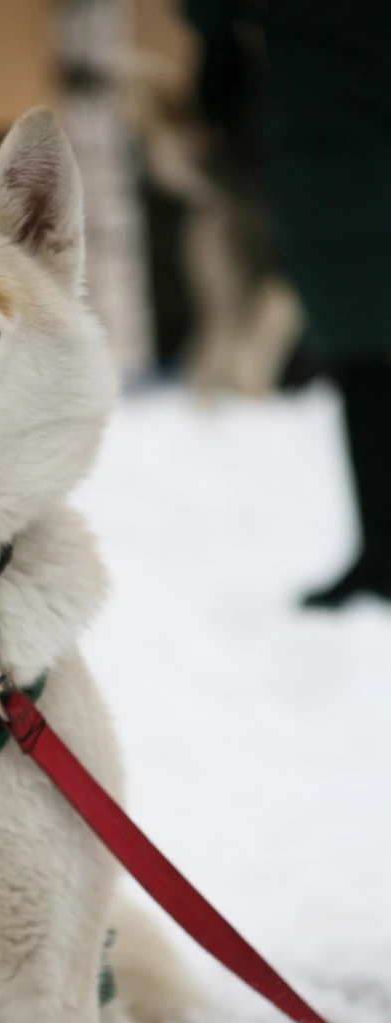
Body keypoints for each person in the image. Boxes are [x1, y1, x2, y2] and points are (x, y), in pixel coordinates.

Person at [184, 0, 391, 606]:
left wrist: (216, 41)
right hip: (321, 87)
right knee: (362, 330)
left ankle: (380, 549)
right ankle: (380, 548)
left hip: (316, 81)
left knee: (364, 338)